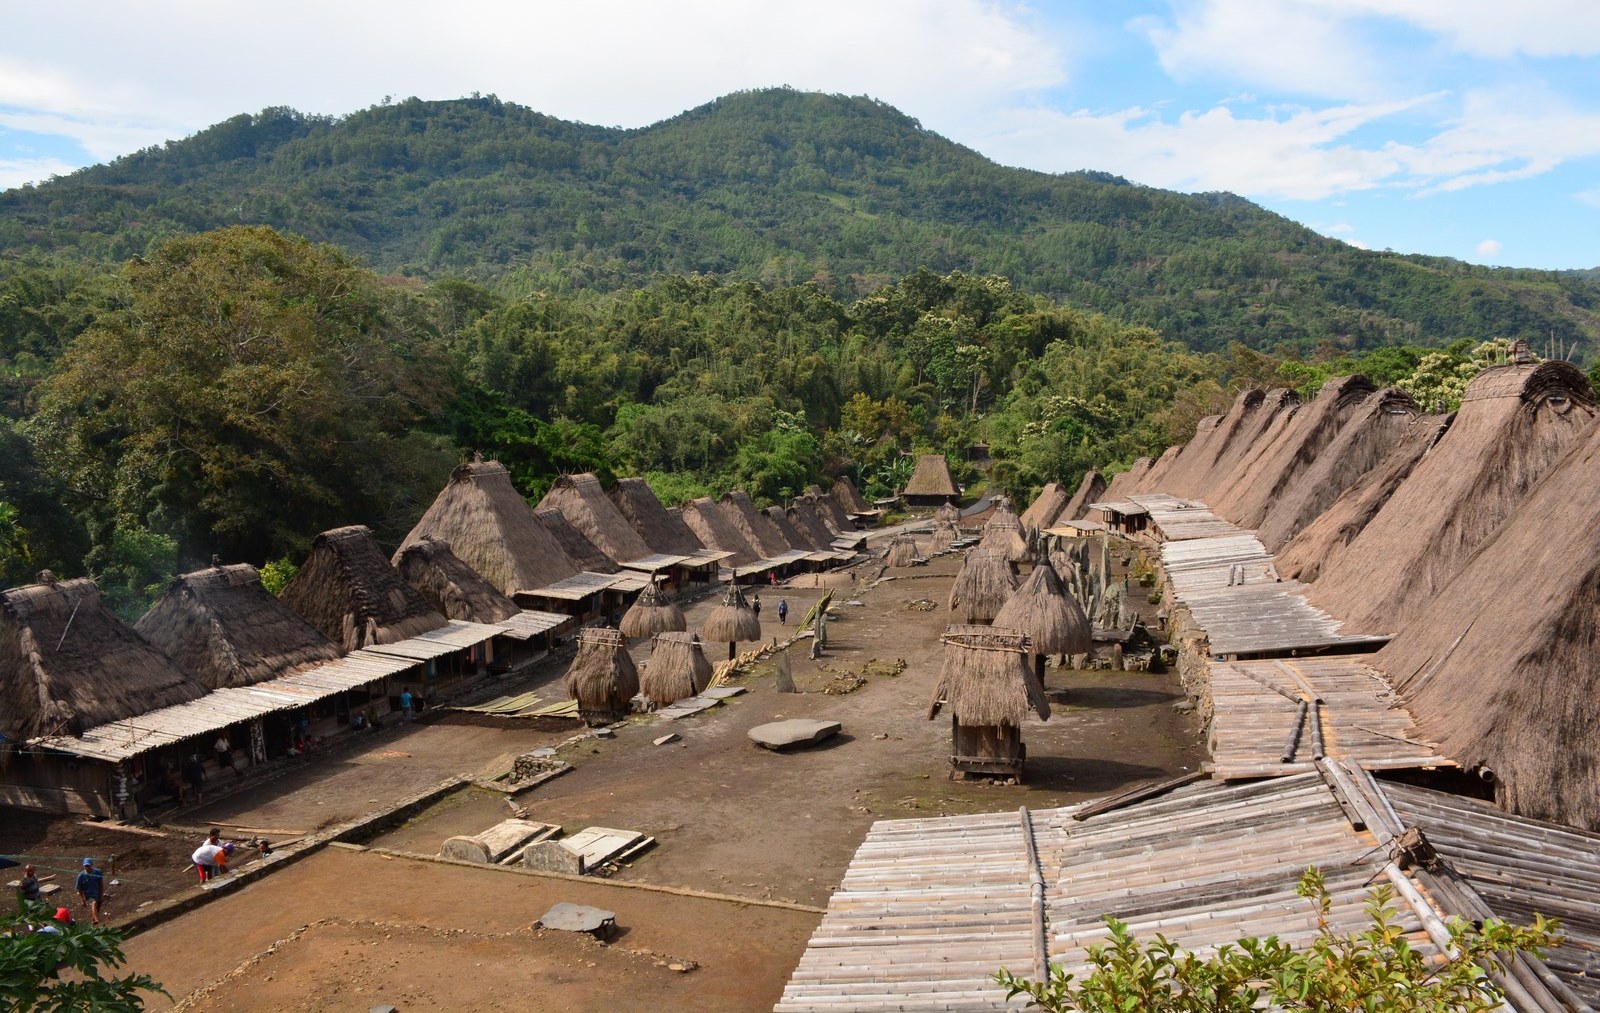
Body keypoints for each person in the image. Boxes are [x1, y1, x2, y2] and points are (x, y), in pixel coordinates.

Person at [75, 858, 104, 925]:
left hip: (97, 893)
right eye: (85, 866)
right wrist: (82, 899)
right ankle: (97, 920)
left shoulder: (98, 872)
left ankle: (94, 922)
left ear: (91, 865)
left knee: (97, 908)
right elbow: (79, 888)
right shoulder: (81, 876)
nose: (87, 867)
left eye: (88, 865)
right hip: (88, 895)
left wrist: (101, 894)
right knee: (93, 903)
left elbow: (101, 884)